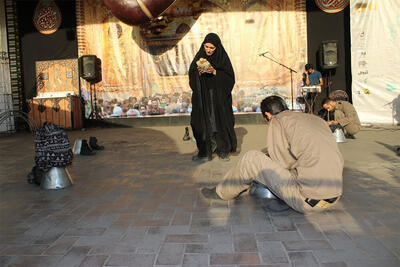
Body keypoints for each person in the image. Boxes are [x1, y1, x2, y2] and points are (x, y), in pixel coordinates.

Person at [201, 95, 344, 213]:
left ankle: (221, 192)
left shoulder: (278, 120)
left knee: (251, 158)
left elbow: (282, 162)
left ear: (268, 115)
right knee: (268, 154)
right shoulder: (315, 119)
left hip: (307, 200)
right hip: (335, 195)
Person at [189, 33, 237, 161]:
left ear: (217, 47)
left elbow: (230, 78)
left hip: (218, 97)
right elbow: (192, 74)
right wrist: (199, 73)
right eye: (206, 47)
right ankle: (204, 150)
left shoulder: (222, 58)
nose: (208, 50)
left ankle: (223, 150)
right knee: (200, 123)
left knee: (219, 121)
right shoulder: (200, 56)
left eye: (211, 48)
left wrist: (214, 72)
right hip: (203, 96)